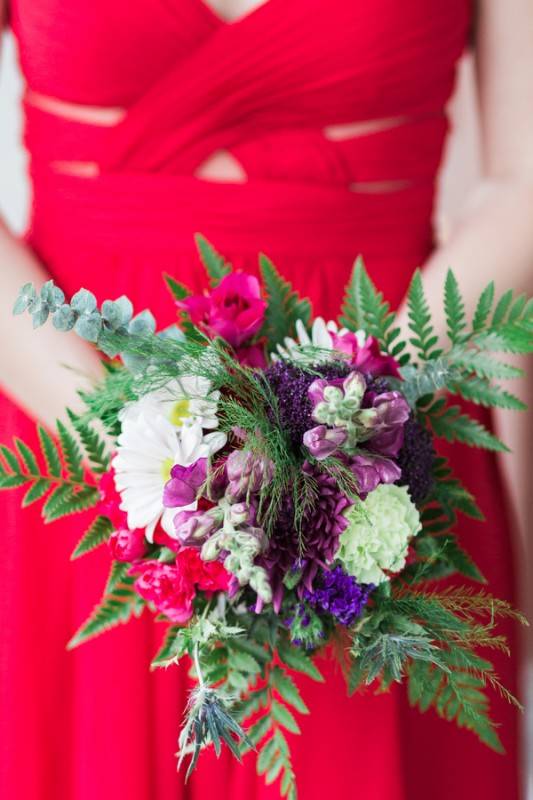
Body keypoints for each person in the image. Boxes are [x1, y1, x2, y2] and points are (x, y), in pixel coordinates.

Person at [0, 1, 532, 798]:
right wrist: (130, 441)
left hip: (379, 451)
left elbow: (523, 180)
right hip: (71, 425)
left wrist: (362, 413)